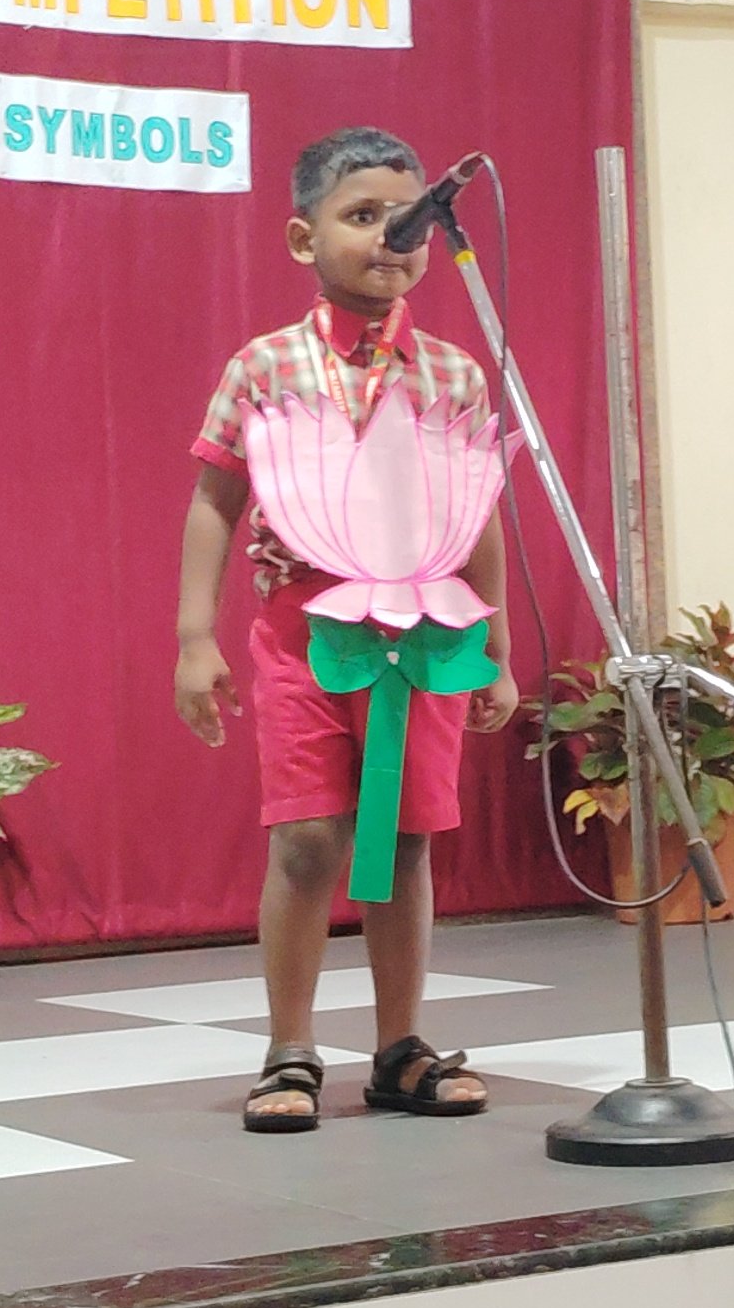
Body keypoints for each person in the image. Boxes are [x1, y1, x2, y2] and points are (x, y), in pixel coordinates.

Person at [175, 126, 517, 1132]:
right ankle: (289, 1048)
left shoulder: (454, 373)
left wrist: (493, 647)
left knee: (404, 840)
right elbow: (215, 498)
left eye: (407, 220)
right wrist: (195, 636)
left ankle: (400, 1048)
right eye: (362, 216)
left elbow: (477, 516)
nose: (389, 238)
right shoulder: (265, 366)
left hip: (425, 629)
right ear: (303, 237)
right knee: (309, 840)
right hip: (306, 633)